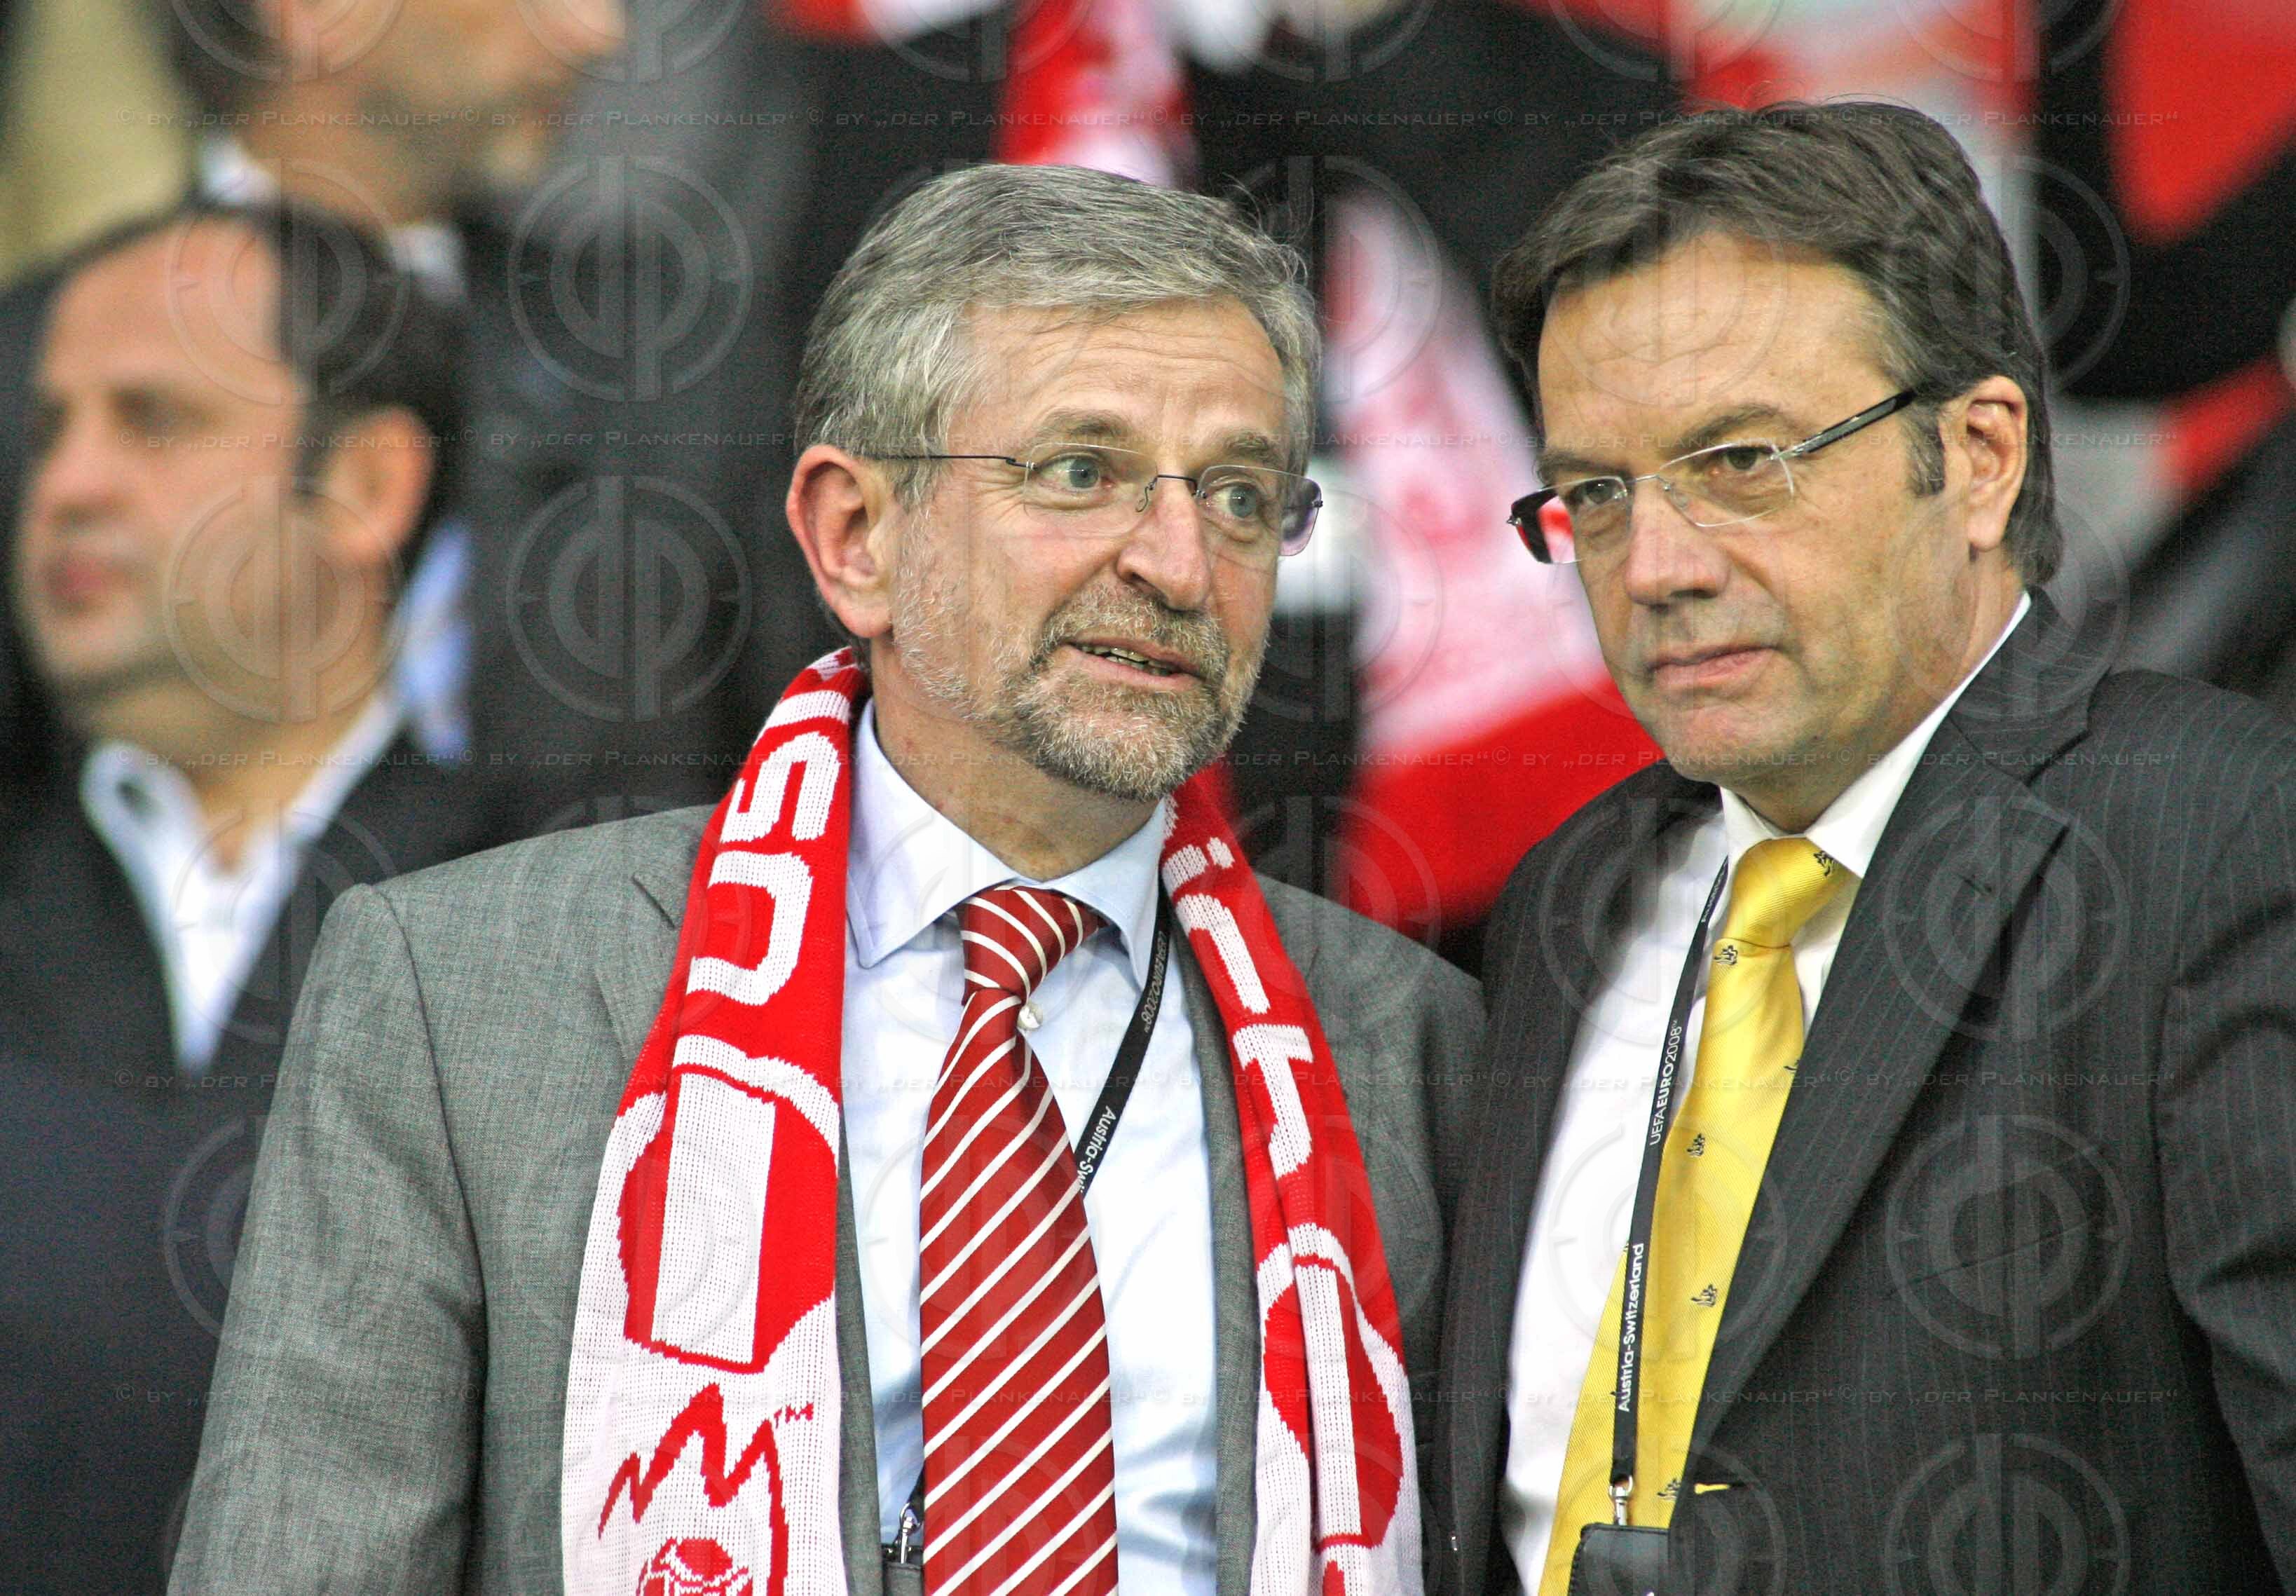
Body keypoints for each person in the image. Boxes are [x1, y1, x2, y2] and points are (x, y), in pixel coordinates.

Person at [169, 164, 1481, 1596]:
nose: (1179, 563)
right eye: (1080, 471)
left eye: (1239, 495)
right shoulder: (464, 994)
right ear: (856, 536)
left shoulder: (1406, 1042)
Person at [1427, 102, 2296, 1596]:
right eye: (1598, 494)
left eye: (1740, 460)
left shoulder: (2216, 839)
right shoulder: (1569, 896)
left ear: (1978, 457)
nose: (1657, 568)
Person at [0, 198, 505, 1590]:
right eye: (48, 430)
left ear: (365, 486)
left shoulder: (562, 928)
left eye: (154, 420)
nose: (68, 484)